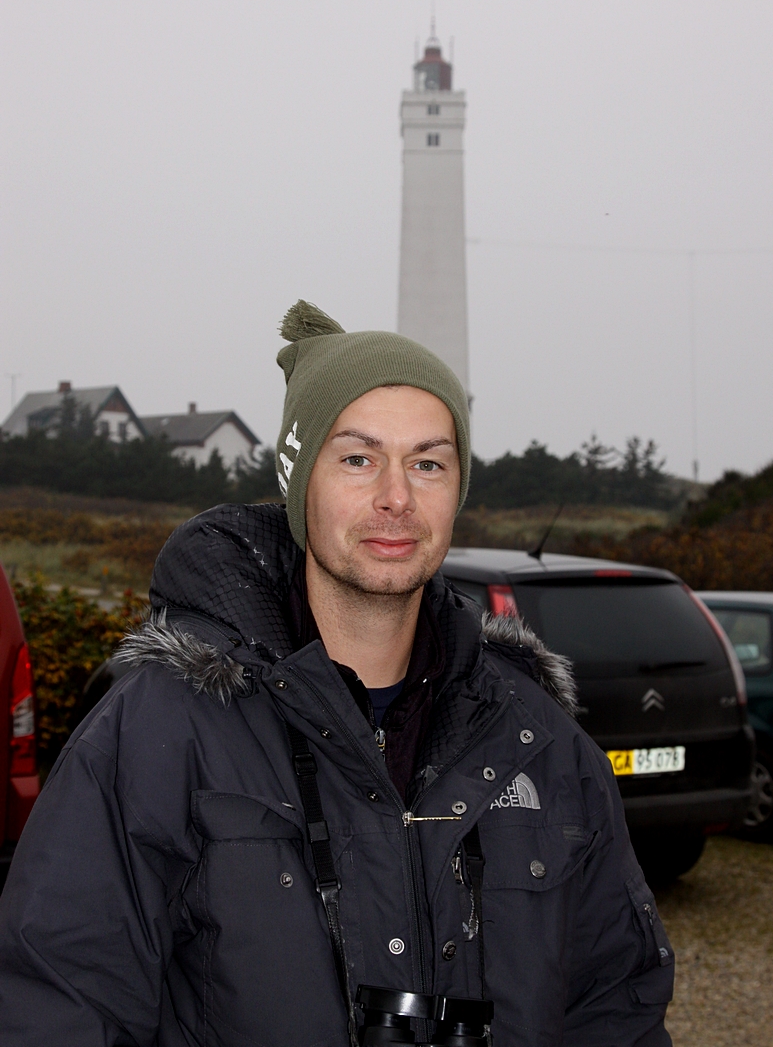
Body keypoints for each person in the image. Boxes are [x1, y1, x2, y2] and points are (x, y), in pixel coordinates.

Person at [0, 301, 674, 1046]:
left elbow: (617, 1009)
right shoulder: (161, 729)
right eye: (358, 459)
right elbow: (59, 1003)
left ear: (457, 491)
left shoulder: (538, 740)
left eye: (428, 462)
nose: (397, 496)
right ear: (298, 485)